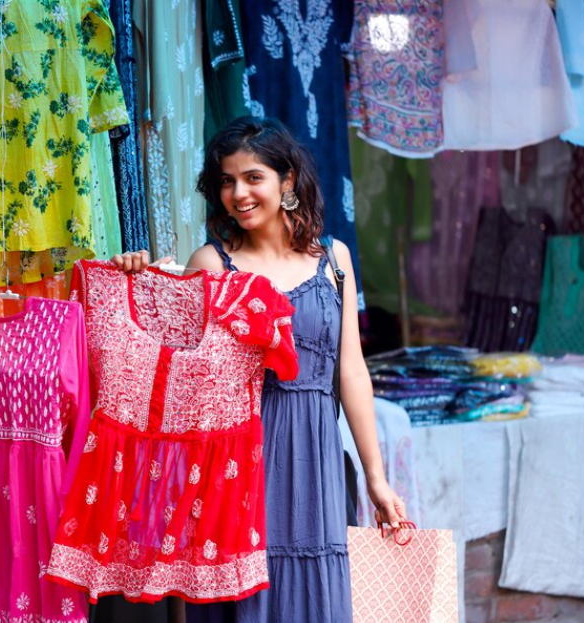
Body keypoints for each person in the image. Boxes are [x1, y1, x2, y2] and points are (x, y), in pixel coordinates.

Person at [112, 117, 405, 623]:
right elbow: (173, 379)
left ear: (286, 180)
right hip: (235, 469)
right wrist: (134, 282)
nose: (238, 193)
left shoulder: (334, 260)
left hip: (317, 464)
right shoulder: (209, 264)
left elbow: (351, 371)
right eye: (226, 181)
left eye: (252, 177)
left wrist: (376, 478)